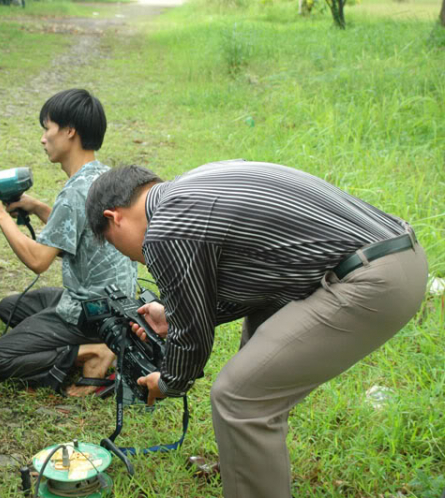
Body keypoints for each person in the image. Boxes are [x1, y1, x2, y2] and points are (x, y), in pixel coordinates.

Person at [85, 160, 428, 497]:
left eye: (116, 244)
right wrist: (172, 315)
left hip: (372, 281)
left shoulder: (165, 228)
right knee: (254, 357)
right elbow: (254, 285)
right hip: (397, 254)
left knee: (239, 398)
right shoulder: (193, 187)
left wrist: (167, 382)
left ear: (113, 218)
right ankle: (249, 466)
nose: (132, 257)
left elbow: (192, 338)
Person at [0, 89, 137, 397]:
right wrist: (37, 207)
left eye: (47, 128)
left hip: (89, 313)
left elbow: (38, 260)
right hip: (113, 308)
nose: (43, 138)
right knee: (9, 308)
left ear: (69, 131)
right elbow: (79, 231)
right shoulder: (102, 178)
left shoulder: (75, 192)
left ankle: (92, 352)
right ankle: (100, 343)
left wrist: (1, 216)